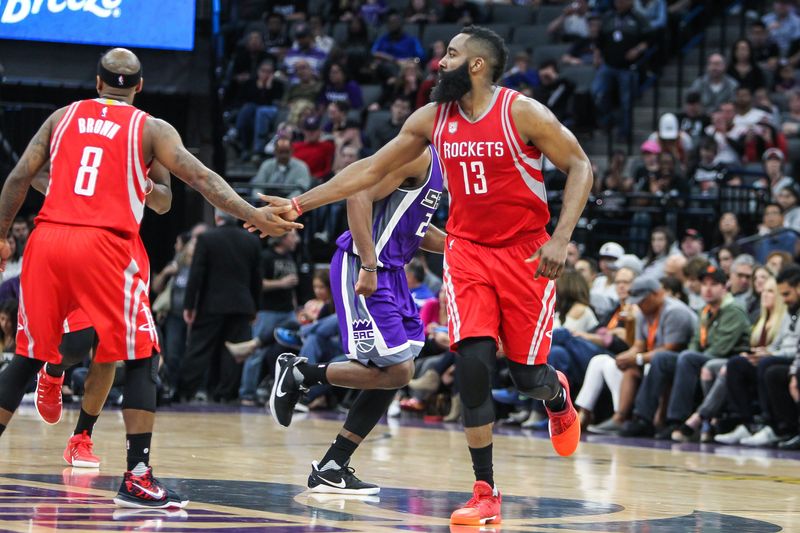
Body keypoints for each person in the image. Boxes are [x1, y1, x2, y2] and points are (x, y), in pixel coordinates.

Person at [256, 25, 593, 526]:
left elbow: (580, 166)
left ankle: (557, 395)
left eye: (451, 54)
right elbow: (367, 172)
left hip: (525, 254)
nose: (440, 61)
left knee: (526, 376)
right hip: (468, 253)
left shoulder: (521, 112)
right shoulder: (432, 120)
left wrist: (561, 238)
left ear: (476, 65)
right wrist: (300, 203)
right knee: (473, 364)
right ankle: (484, 491)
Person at [0, 48, 296, 509]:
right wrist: (251, 212)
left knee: (25, 357)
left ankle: (77, 423)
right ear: (139, 87)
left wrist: (1, 239)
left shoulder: (62, 116)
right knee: (140, 355)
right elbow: (203, 178)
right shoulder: (151, 128)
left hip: (48, 238)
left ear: (97, 82)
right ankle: (137, 475)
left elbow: (20, 176)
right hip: (105, 245)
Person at [269, 146, 446, 496]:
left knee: (394, 374)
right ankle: (300, 373)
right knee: (400, 370)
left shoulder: (439, 168)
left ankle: (333, 465)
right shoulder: (419, 153)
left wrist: (467, 246)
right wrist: (368, 263)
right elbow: (358, 192)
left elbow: (416, 229)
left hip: (393, 273)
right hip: (366, 266)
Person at [30, 162, 172, 470]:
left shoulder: (149, 134)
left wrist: (144, 186)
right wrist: (72, 193)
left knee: (109, 351)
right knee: (77, 343)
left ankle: (81, 437)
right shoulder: (76, 123)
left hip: (124, 254)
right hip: (79, 245)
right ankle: (53, 373)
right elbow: (34, 174)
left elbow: (164, 201)